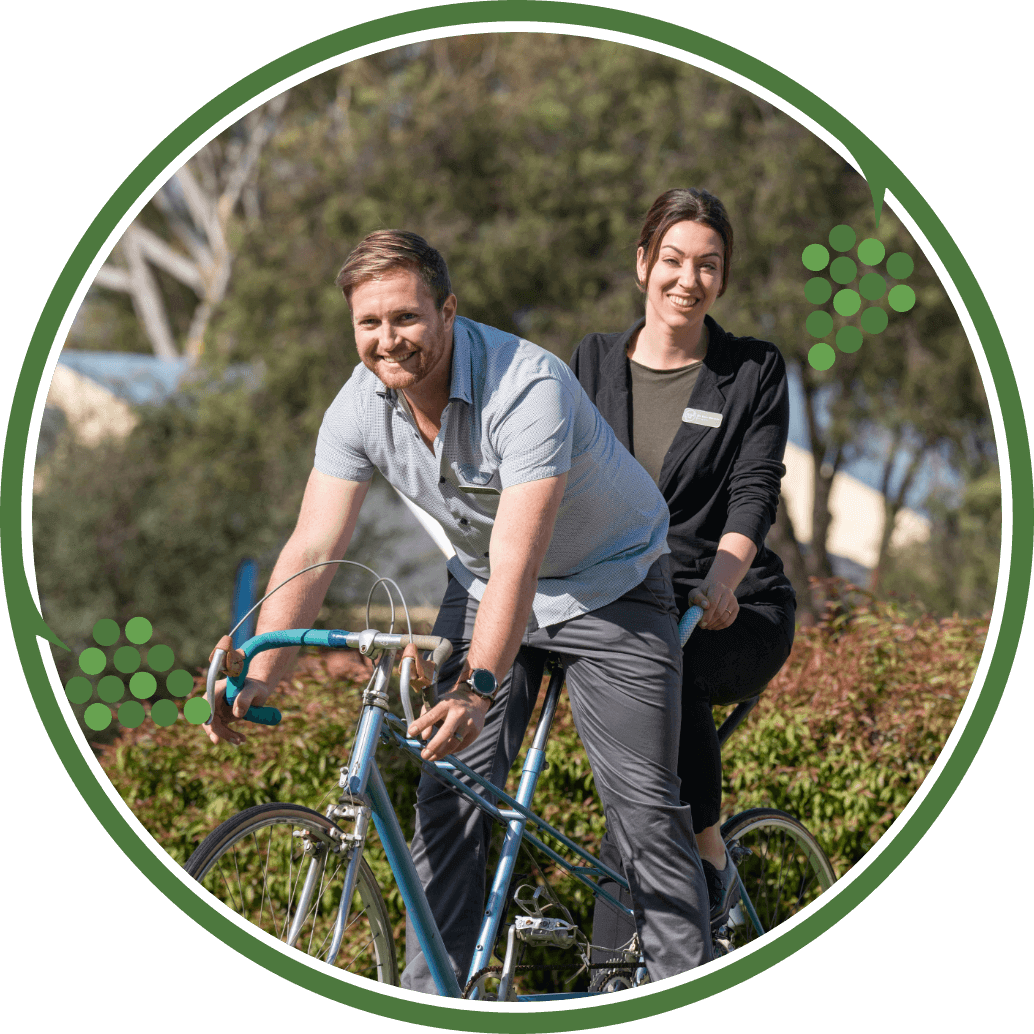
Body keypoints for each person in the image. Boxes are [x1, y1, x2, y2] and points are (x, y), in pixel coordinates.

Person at [202, 229, 712, 992]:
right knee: (449, 799)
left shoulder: (527, 385)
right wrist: (263, 671)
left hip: (611, 583)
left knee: (642, 810)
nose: (387, 340)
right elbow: (313, 543)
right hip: (486, 585)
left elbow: (520, 556)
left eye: (405, 317)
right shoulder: (359, 405)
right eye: (368, 324)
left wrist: (477, 687)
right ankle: (431, 994)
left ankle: (685, 975)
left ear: (448, 310)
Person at [569, 189, 797, 969]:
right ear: (642, 264)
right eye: (671, 260)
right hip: (631, 601)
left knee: (668, 663)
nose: (686, 279)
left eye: (708, 265)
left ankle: (707, 856)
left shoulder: (750, 369)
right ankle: (608, 974)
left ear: (722, 280)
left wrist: (726, 578)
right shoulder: (592, 361)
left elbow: (753, 489)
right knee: (634, 777)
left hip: (735, 606)